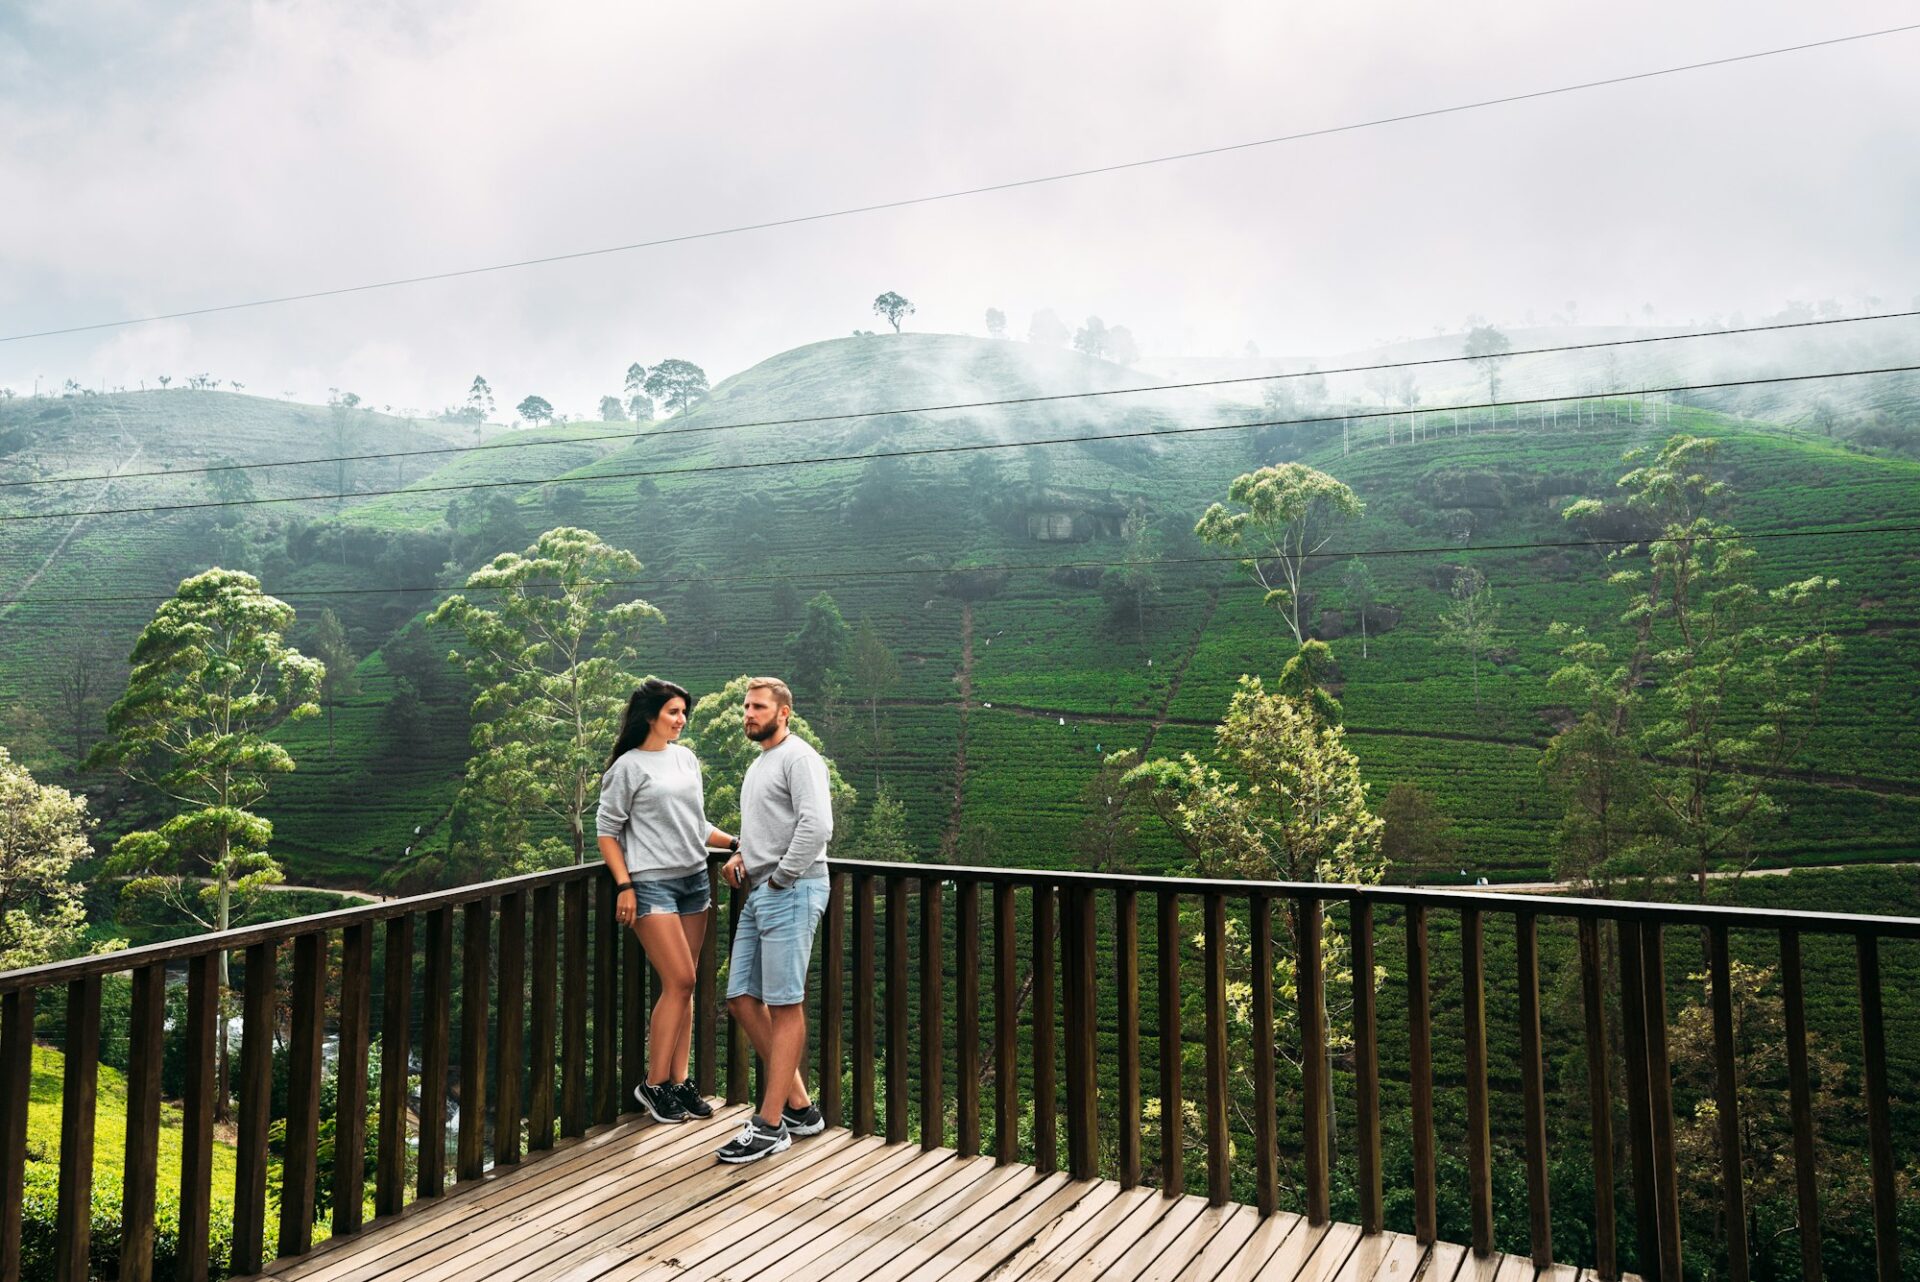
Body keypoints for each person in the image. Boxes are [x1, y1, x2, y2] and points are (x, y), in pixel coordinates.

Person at [595, 678, 737, 1125]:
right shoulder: (628, 768)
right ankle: (653, 1085)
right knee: (680, 980)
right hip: (650, 884)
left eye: (684, 713)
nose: (681, 720)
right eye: (674, 712)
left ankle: (679, 1081)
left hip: (694, 880)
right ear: (651, 715)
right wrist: (625, 885)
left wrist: (737, 842)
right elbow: (607, 831)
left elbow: (696, 824)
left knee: (685, 984)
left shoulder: (686, 759)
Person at [714, 676, 833, 1163]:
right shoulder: (760, 764)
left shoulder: (799, 757)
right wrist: (742, 854)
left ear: (784, 712)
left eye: (759, 707)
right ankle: (801, 1108)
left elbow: (817, 825)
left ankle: (769, 1125)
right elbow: (767, 826)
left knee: (785, 1006)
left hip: (791, 888)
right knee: (741, 998)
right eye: (746, 706)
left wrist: (781, 877)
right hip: (761, 888)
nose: (749, 714)